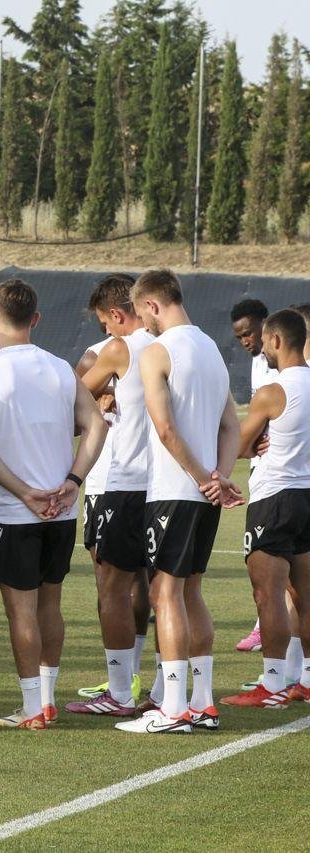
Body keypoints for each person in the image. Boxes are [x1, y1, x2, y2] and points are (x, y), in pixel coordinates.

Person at [0, 279, 106, 730]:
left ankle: (31, 707)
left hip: (16, 511)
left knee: (21, 611)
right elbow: (98, 424)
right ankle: (46, 701)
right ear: (36, 319)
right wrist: (73, 481)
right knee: (51, 605)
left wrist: (23, 491)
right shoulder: (62, 368)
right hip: (60, 510)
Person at [115, 269, 243, 735]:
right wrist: (219, 478)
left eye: (141, 313)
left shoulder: (158, 351)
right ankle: (202, 703)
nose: (143, 323)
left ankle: (173, 709)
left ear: (151, 305)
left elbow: (165, 429)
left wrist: (203, 478)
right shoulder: (211, 348)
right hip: (204, 494)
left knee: (164, 593)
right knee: (191, 592)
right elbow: (231, 426)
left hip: (174, 491)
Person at [66, 275, 155, 716]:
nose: (105, 330)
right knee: (164, 588)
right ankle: (166, 690)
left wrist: (95, 403)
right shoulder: (173, 347)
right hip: (166, 488)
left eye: (106, 321)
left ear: (118, 314)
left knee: (112, 588)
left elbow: (71, 401)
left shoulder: (120, 349)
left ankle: (120, 691)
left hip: (121, 484)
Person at [223, 309, 310, 707]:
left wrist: (254, 441)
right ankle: (305, 680)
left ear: (276, 340)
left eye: (265, 344)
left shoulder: (273, 391)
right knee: (305, 594)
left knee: (268, 594)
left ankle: (272, 685)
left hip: (275, 497)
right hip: (307, 495)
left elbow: (240, 445)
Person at [231, 298, 275, 654]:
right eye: (240, 337)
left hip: (280, 477)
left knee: (268, 561)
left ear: (266, 324)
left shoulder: (282, 364)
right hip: (263, 471)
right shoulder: (258, 362)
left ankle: (267, 631)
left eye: (249, 332)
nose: (246, 341)